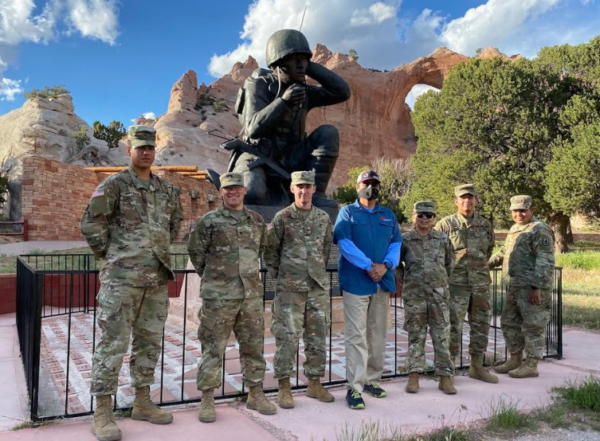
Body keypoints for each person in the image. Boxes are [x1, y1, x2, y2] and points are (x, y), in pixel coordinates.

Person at [80, 125, 183, 441]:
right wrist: (113, 256)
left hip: (155, 281)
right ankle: (103, 412)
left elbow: (175, 224)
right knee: (112, 344)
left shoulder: (166, 191)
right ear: (130, 150)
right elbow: (90, 225)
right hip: (121, 282)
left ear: (155, 150)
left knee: (149, 343)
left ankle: (141, 402)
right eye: (140, 147)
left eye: (150, 147)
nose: (146, 152)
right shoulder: (113, 185)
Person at [187, 172, 276, 423]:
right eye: (228, 188)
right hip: (219, 297)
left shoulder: (257, 221)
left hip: (249, 296)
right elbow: (196, 252)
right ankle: (207, 398)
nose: (233, 192)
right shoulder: (209, 221)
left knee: (253, 347)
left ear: (244, 190)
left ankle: (255, 393)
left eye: (237, 187)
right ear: (221, 192)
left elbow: (261, 250)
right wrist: (214, 278)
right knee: (213, 347)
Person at [233, 29, 351, 207]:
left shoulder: (303, 91)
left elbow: (341, 92)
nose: (300, 64)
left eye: (304, 59)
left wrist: (310, 67)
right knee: (251, 193)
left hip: (292, 156)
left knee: (328, 132)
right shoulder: (258, 85)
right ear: (278, 62)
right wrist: (284, 102)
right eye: (294, 58)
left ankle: (316, 193)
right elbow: (252, 129)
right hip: (258, 155)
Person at [264, 170, 334, 409]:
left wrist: (314, 272)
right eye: (299, 186)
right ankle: (284, 387)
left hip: (317, 288)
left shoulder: (323, 218)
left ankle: (314, 383)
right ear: (292, 189)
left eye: (308, 186)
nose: (304, 191)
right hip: (289, 289)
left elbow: (325, 250)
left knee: (317, 338)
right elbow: (270, 252)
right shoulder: (282, 217)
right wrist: (283, 276)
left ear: (314, 189)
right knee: (287, 338)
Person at [333, 170, 402, 410]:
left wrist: (386, 266)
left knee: (378, 335)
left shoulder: (388, 215)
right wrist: (368, 266)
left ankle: (373, 380)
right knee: (356, 336)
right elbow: (344, 243)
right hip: (357, 283)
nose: (370, 187)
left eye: (374, 184)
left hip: (381, 282)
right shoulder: (348, 212)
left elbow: (396, 243)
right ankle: (355, 387)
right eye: (366, 183)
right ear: (357, 186)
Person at [434, 184, 498, 383]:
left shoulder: (485, 225)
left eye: (470, 197)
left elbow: (489, 250)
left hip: (480, 284)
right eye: (463, 198)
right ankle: (448, 370)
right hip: (455, 285)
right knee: (453, 327)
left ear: (476, 201)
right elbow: (437, 254)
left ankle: (477, 367)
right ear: (456, 201)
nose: (467, 201)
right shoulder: (445, 225)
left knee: (481, 325)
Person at [489, 195, 555, 378]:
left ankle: (532, 364)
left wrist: (537, 286)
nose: (519, 213)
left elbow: (545, 259)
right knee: (509, 322)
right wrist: (487, 263)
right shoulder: (514, 229)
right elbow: (505, 251)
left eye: (523, 210)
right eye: (515, 211)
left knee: (533, 325)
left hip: (531, 288)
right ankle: (515, 358)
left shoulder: (539, 230)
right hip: (514, 286)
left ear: (531, 210)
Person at [398, 201, 456, 395]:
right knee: (416, 336)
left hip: (438, 296)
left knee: (441, 336)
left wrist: (440, 282)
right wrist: (408, 281)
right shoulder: (405, 240)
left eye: (428, 215)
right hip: (414, 296)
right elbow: (397, 266)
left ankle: (445, 377)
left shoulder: (442, 239)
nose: (424, 218)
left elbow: (450, 263)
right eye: (420, 214)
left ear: (434, 218)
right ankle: (413, 375)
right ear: (413, 215)